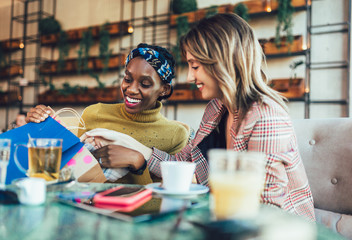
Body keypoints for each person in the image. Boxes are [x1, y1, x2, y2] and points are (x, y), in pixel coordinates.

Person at [84, 13, 316, 221]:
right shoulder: (216, 109)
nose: (189, 76)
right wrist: (139, 157)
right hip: (226, 219)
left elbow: (266, 208)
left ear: (222, 62)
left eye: (195, 66)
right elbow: (184, 165)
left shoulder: (265, 116)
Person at [26, 43, 190, 184]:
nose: (131, 89)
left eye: (145, 84)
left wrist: (137, 162)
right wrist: (38, 125)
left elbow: (165, 199)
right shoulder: (95, 113)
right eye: (127, 79)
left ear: (164, 89)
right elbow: (76, 172)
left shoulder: (176, 135)